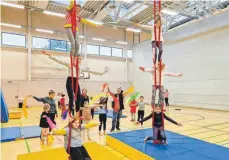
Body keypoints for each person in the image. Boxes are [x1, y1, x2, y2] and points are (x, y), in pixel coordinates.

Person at [42, 51, 107, 116]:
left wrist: (101, 73)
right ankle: (70, 113)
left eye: (81, 59)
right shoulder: (70, 64)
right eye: (78, 59)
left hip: (76, 82)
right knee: (71, 97)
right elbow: (59, 61)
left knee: (79, 96)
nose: (80, 60)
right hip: (70, 81)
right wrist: (49, 55)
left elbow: (91, 71)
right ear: (75, 59)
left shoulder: (81, 68)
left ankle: (77, 111)